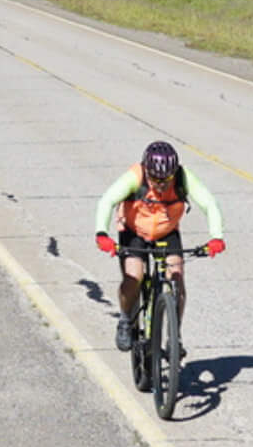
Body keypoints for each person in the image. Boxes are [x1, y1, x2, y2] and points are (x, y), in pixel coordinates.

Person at [93, 138, 225, 352]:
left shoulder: (183, 178)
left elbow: (209, 203)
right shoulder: (135, 176)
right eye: (155, 178)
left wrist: (216, 236)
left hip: (166, 232)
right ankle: (126, 320)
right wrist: (102, 233)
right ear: (147, 170)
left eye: (167, 178)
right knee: (134, 276)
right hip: (134, 231)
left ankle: (175, 337)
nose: (161, 184)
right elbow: (106, 201)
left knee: (177, 277)